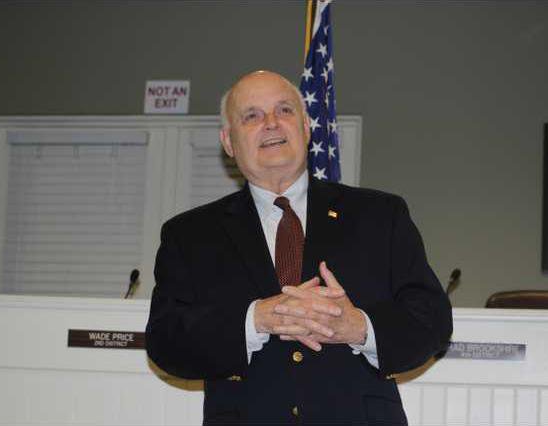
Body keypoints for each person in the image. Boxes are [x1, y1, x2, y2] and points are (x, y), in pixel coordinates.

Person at [146, 70, 452, 425]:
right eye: (252, 116)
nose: (271, 123)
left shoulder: (381, 215)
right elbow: (166, 342)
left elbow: (432, 322)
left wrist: (359, 327)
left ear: (306, 128)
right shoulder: (190, 234)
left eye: (285, 110)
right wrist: (255, 320)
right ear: (228, 141)